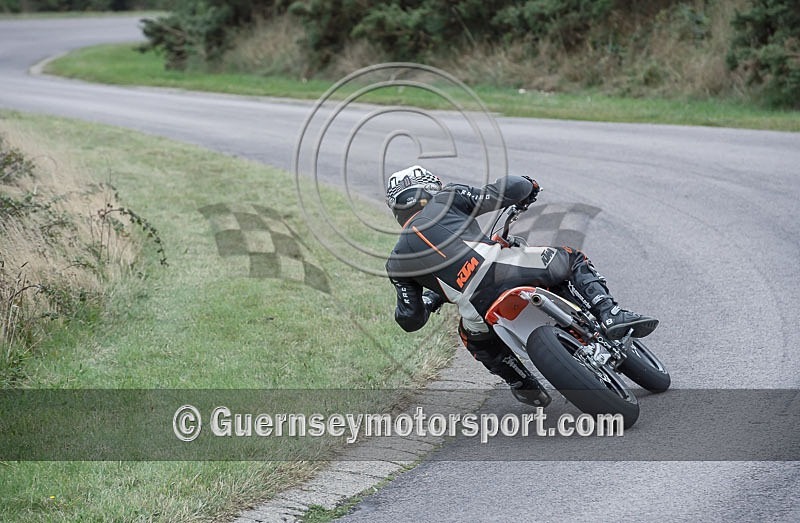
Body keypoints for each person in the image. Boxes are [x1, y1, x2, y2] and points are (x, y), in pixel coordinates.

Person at [385, 165, 659, 407]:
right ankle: (610, 313)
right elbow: (509, 188)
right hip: (508, 269)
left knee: (472, 339)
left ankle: (521, 383)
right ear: (431, 188)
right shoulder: (448, 198)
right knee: (573, 258)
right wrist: (528, 186)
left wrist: (431, 299)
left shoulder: (396, 262)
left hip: (475, 306)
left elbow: (410, 319)